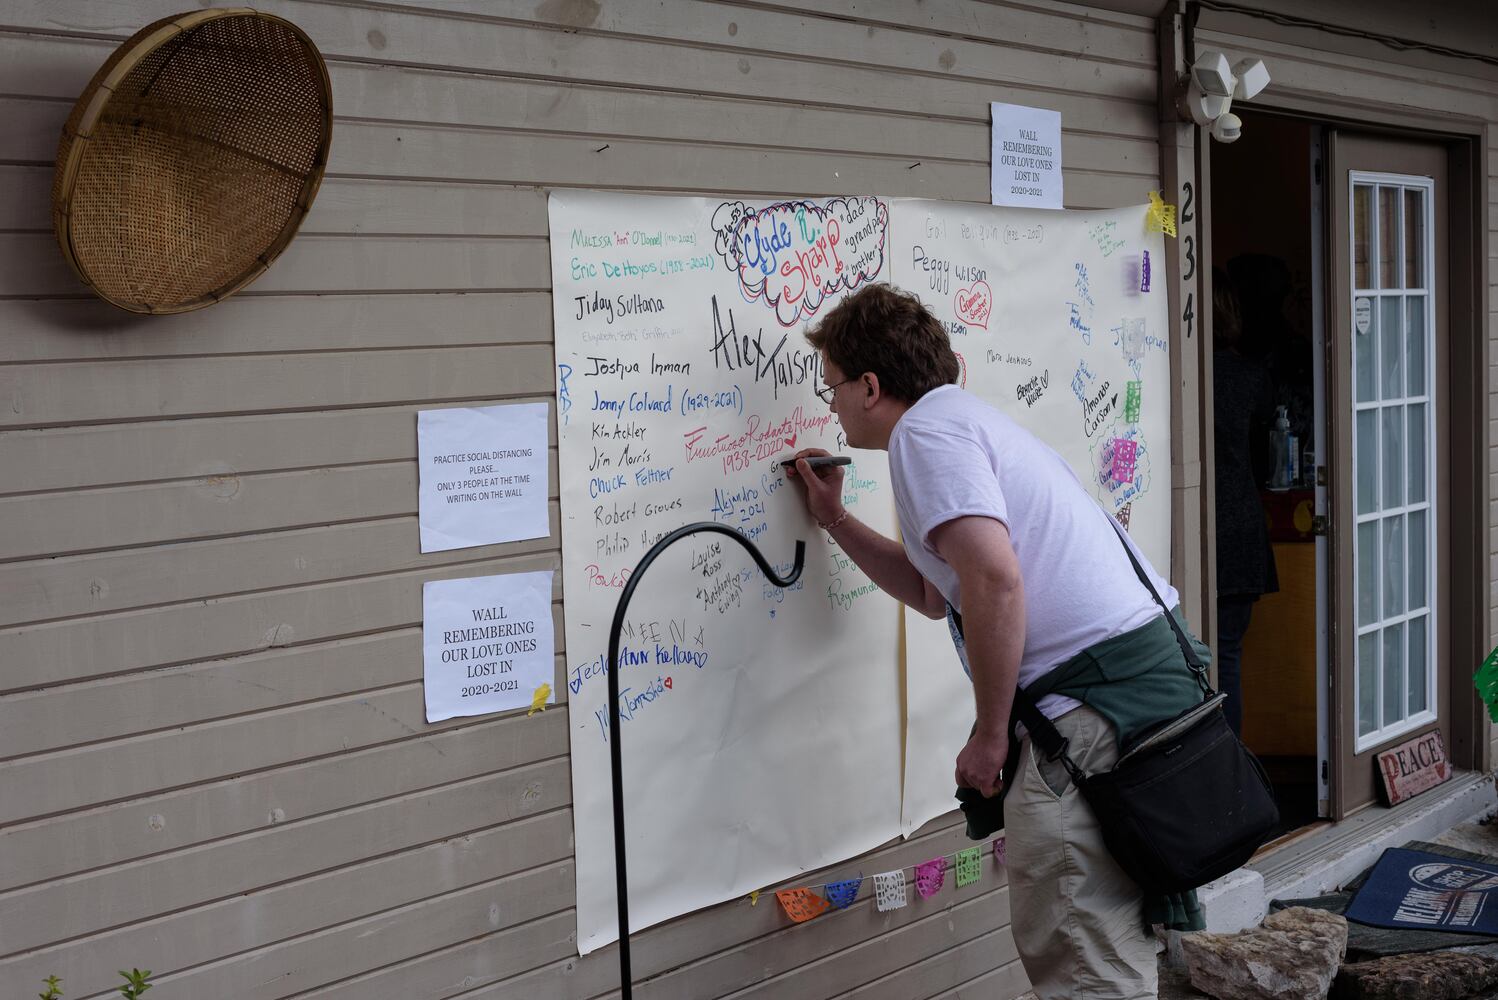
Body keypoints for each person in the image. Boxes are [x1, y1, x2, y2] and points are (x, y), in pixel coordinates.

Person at [786, 283, 1205, 1000]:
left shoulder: (925, 436)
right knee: (1108, 945)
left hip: (1091, 712)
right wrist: (837, 521)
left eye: (831, 389)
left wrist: (988, 734)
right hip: (1143, 692)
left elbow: (995, 581)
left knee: (1085, 958)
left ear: (871, 385)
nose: (831, 406)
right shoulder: (960, 420)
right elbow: (934, 591)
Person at [1211, 269, 1279, 737]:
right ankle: (1231, 774)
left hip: (1190, 523)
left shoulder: (1179, 370)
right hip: (1240, 524)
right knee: (1227, 656)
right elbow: (1269, 453)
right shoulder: (1251, 377)